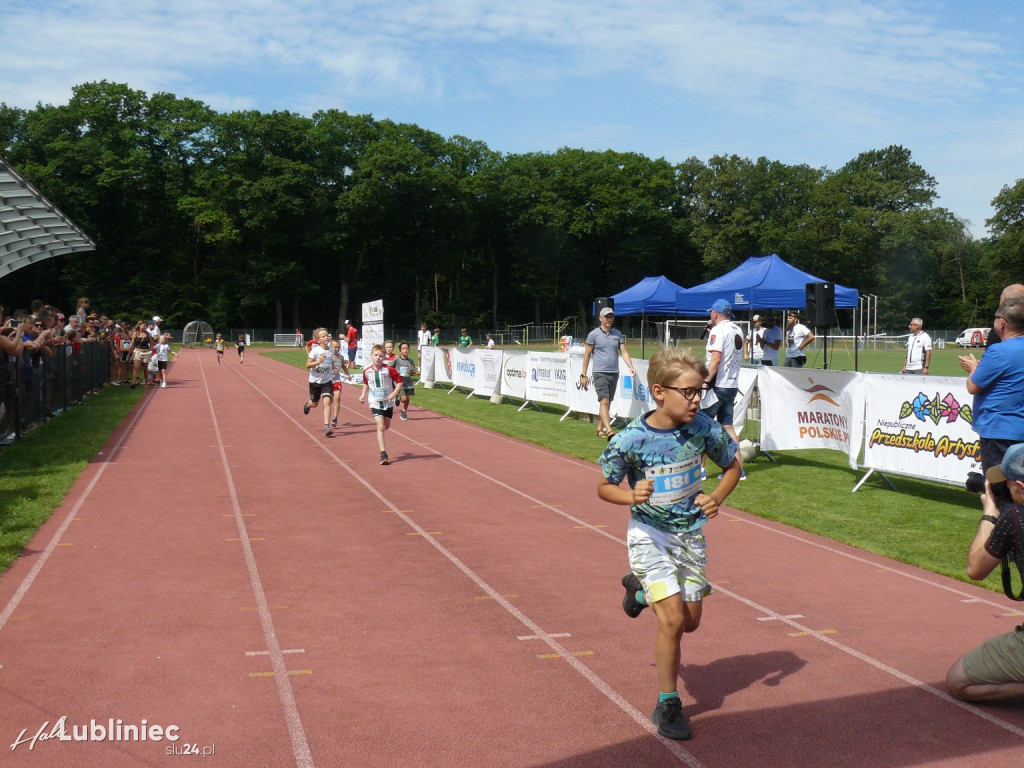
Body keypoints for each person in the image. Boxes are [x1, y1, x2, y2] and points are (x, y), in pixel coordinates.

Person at [597, 346, 741, 740]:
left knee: (690, 623)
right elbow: (603, 487)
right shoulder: (631, 440)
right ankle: (668, 702)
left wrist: (717, 497)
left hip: (690, 536)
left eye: (700, 392)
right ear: (660, 392)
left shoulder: (705, 429)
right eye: (688, 392)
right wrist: (630, 496)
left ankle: (639, 594)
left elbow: (732, 466)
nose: (697, 399)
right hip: (648, 535)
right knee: (673, 620)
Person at [946, 443, 1024, 702]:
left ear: (1019, 487)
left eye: (1007, 483)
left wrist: (991, 514)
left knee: (958, 680)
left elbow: (975, 569)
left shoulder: (1015, 517)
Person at [958, 298, 1024, 506]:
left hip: (998, 432)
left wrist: (974, 368)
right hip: (1018, 429)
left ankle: (1003, 535)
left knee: (1000, 495)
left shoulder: (998, 351)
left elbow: (973, 386)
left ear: (1002, 323)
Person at [701, 299, 745, 481]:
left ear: (715, 313)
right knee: (728, 426)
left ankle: (700, 470)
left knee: (702, 425)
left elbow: (716, 359)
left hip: (717, 384)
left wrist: (705, 381)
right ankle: (738, 470)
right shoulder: (738, 329)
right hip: (732, 384)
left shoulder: (719, 330)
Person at [581, 307, 636, 439]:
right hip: (600, 372)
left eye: (611, 317)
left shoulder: (617, 334)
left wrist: (631, 366)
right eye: (606, 317)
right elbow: (587, 355)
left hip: (614, 372)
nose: (609, 319)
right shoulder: (593, 334)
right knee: (604, 400)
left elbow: (624, 351)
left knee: (607, 402)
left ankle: (599, 428)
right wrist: (583, 375)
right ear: (600, 318)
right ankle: (609, 430)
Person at [359, 343, 404, 465]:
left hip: (388, 402)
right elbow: (365, 383)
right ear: (371, 356)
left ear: (384, 357)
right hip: (374, 401)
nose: (378, 357)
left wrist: (394, 393)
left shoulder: (389, 370)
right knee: (380, 427)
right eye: (376, 355)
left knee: (387, 426)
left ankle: (383, 450)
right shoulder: (367, 371)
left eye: (381, 356)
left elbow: (399, 382)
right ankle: (383, 453)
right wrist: (363, 394)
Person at [302, 328, 337, 437]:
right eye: (323, 336)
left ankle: (326, 426)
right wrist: (319, 361)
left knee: (327, 401)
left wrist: (334, 368)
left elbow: (331, 361)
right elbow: (307, 365)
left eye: (327, 335)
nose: (326, 337)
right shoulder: (315, 351)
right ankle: (308, 404)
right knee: (315, 403)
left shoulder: (331, 350)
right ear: (318, 340)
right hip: (315, 381)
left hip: (327, 380)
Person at [394, 341, 418, 421]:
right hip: (400, 383)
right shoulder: (397, 360)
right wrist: (396, 372)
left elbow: (413, 373)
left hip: (408, 383)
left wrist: (411, 370)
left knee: (407, 399)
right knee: (404, 399)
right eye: (403, 348)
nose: (405, 350)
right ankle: (398, 398)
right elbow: (391, 369)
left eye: (407, 348)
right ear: (400, 351)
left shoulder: (410, 361)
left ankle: (404, 412)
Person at [329, 335, 349, 429]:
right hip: (327, 381)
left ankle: (335, 418)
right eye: (334, 347)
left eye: (338, 347)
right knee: (329, 400)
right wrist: (332, 370)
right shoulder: (327, 356)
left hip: (336, 380)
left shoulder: (341, 357)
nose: (336, 349)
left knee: (337, 398)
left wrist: (348, 374)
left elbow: (344, 366)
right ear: (330, 347)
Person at [128, 321, 153, 387]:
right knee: (136, 367)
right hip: (138, 351)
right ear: (139, 325)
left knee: (145, 368)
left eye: (145, 326)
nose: (145, 327)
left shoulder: (147, 334)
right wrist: (129, 353)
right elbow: (132, 344)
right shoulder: (135, 334)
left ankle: (146, 382)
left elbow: (151, 343)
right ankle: (133, 382)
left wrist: (150, 350)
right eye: (143, 326)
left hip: (146, 352)